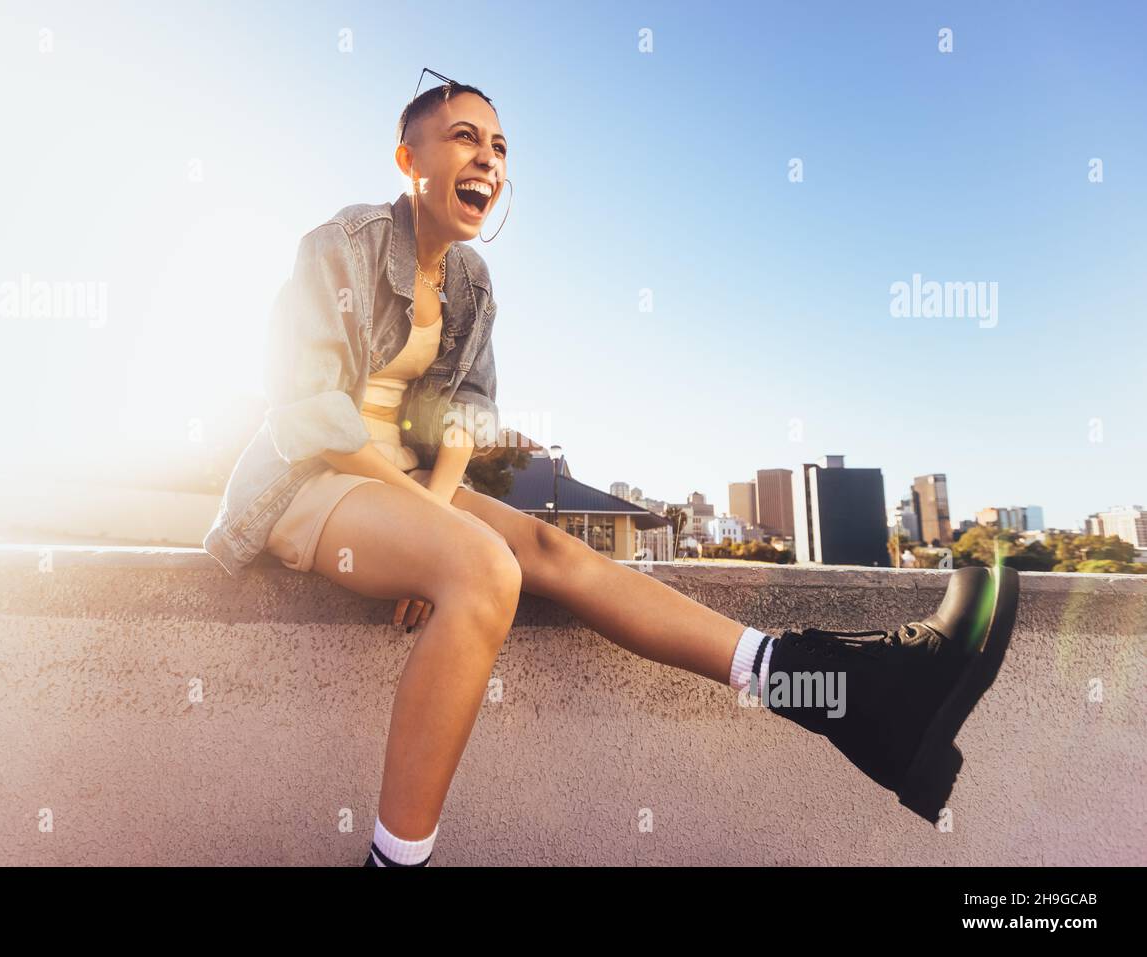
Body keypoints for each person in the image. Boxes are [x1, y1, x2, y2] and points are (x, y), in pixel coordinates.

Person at [204, 78, 1021, 867]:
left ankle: (848, 694)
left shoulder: (472, 283)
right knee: (483, 566)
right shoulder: (341, 245)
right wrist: (432, 535)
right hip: (308, 480)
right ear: (406, 160)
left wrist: (430, 518)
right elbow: (307, 411)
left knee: (556, 553)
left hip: (410, 482)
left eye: (499, 146)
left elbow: (462, 417)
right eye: (463, 138)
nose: (487, 158)